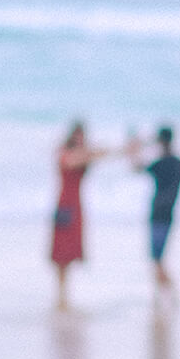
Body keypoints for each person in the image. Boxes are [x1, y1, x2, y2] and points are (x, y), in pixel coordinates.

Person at [49, 121, 109, 308]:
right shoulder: (65, 154)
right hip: (65, 203)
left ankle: (64, 294)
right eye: (77, 135)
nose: (79, 139)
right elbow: (73, 160)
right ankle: (61, 294)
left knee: (70, 250)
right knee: (60, 252)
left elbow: (98, 155)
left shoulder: (81, 155)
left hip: (76, 205)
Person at [131, 125, 180, 289]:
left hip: (157, 212)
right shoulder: (179, 164)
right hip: (169, 212)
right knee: (158, 258)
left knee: (156, 258)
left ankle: (169, 292)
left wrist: (137, 147)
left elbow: (137, 167)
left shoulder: (161, 163)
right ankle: (163, 294)